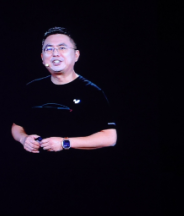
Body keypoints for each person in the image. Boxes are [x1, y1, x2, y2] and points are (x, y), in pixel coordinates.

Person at [11, 27, 116, 156]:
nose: (55, 53)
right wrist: (24, 139)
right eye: (49, 49)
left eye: (62, 48)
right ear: (42, 57)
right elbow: (17, 126)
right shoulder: (31, 89)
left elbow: (110, 137)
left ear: (76, 55)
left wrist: (65, 143)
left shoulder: (92, 92)